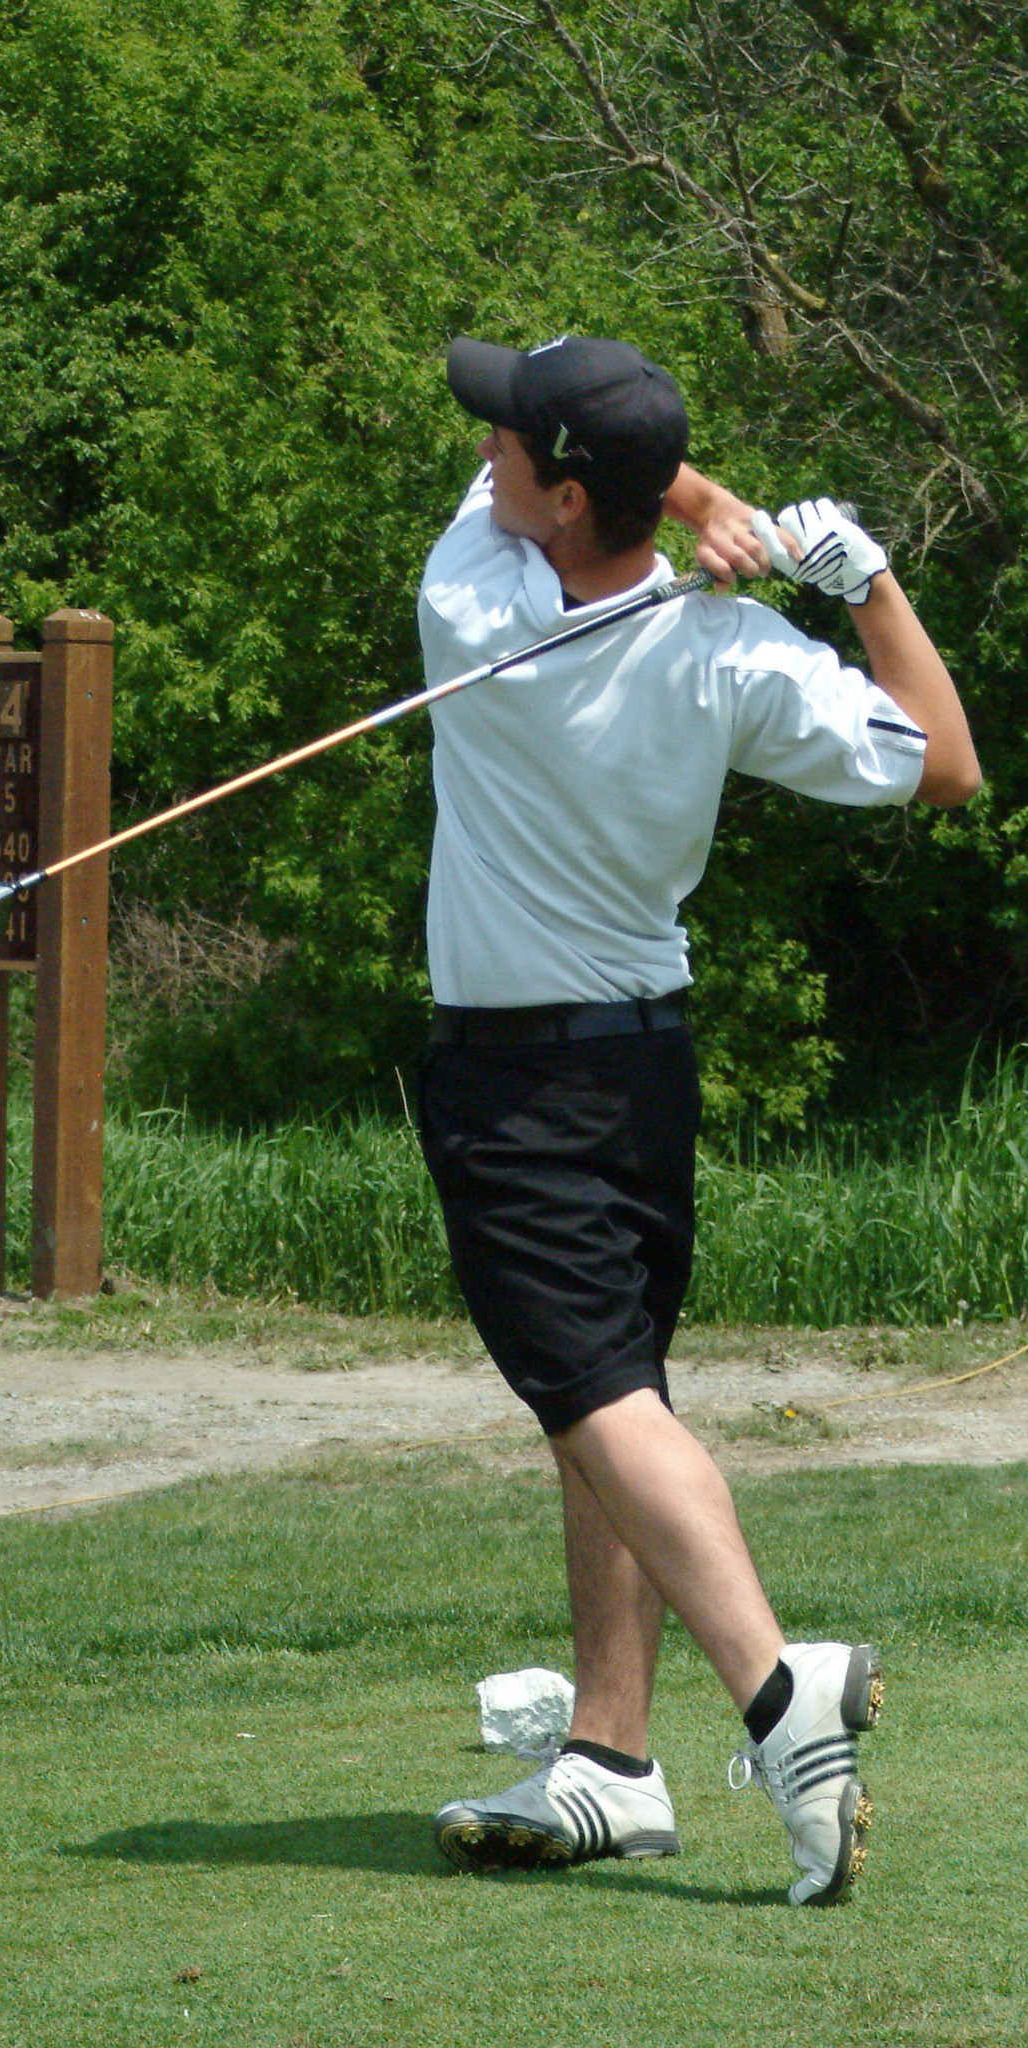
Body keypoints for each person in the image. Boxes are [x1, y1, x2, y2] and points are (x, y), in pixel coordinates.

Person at [416, 333, 980, 1905]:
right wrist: (851, 576)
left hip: (513, 1081)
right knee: (610, 1396)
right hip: (646, 1065)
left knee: (596, 1395)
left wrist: (703, 505)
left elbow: (623, 500)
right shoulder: (729, 652)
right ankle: (607, 1757)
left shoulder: (469, 600)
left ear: (558, 488)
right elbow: (948, 763)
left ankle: (775, 1694)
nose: (486, 458)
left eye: (509, 445)